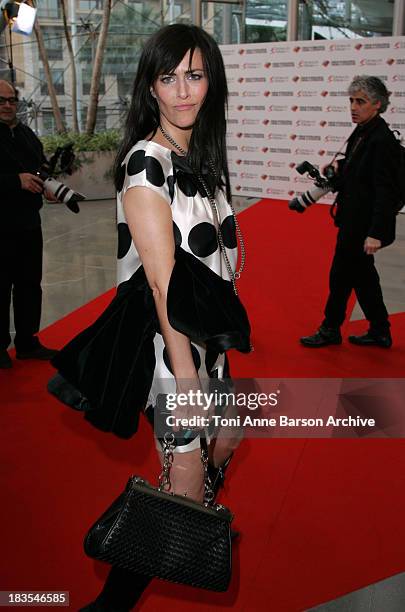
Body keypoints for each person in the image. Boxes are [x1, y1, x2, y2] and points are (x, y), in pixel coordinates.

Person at [71, 24, 250, 610]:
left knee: (228, 438)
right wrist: (189, 381)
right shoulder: (147, 163)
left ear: (210, 82)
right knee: (183, 483)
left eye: (194, 76)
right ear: (150, 88)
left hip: (207, 341)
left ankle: (188, 510)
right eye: (168, 78)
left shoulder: (198, 155)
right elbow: (162, 281)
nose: (182, 91)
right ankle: (120, 594)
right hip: (174, 352)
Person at [300, 75, 401, 349]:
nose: (353, 107)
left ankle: (330, 329)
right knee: (362, 278)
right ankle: (379, 330)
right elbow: (359, 172)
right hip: (353, 220)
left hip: (363, 226)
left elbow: (385, 191)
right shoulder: (363, 131)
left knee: (341, 277)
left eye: (361, 101)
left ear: (377, 105)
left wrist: (376, 233)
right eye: (351, 101)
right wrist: (337, 171)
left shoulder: (382, 140)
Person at [0, 79, 58, 368]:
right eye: (2, 100)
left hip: (28, 224)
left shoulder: (26, 134)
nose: (8, 105)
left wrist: (52, 187)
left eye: (12, 100)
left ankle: (27, 342)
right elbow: (19, 178)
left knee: (29, 285)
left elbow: (41, 168)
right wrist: (15, 181)